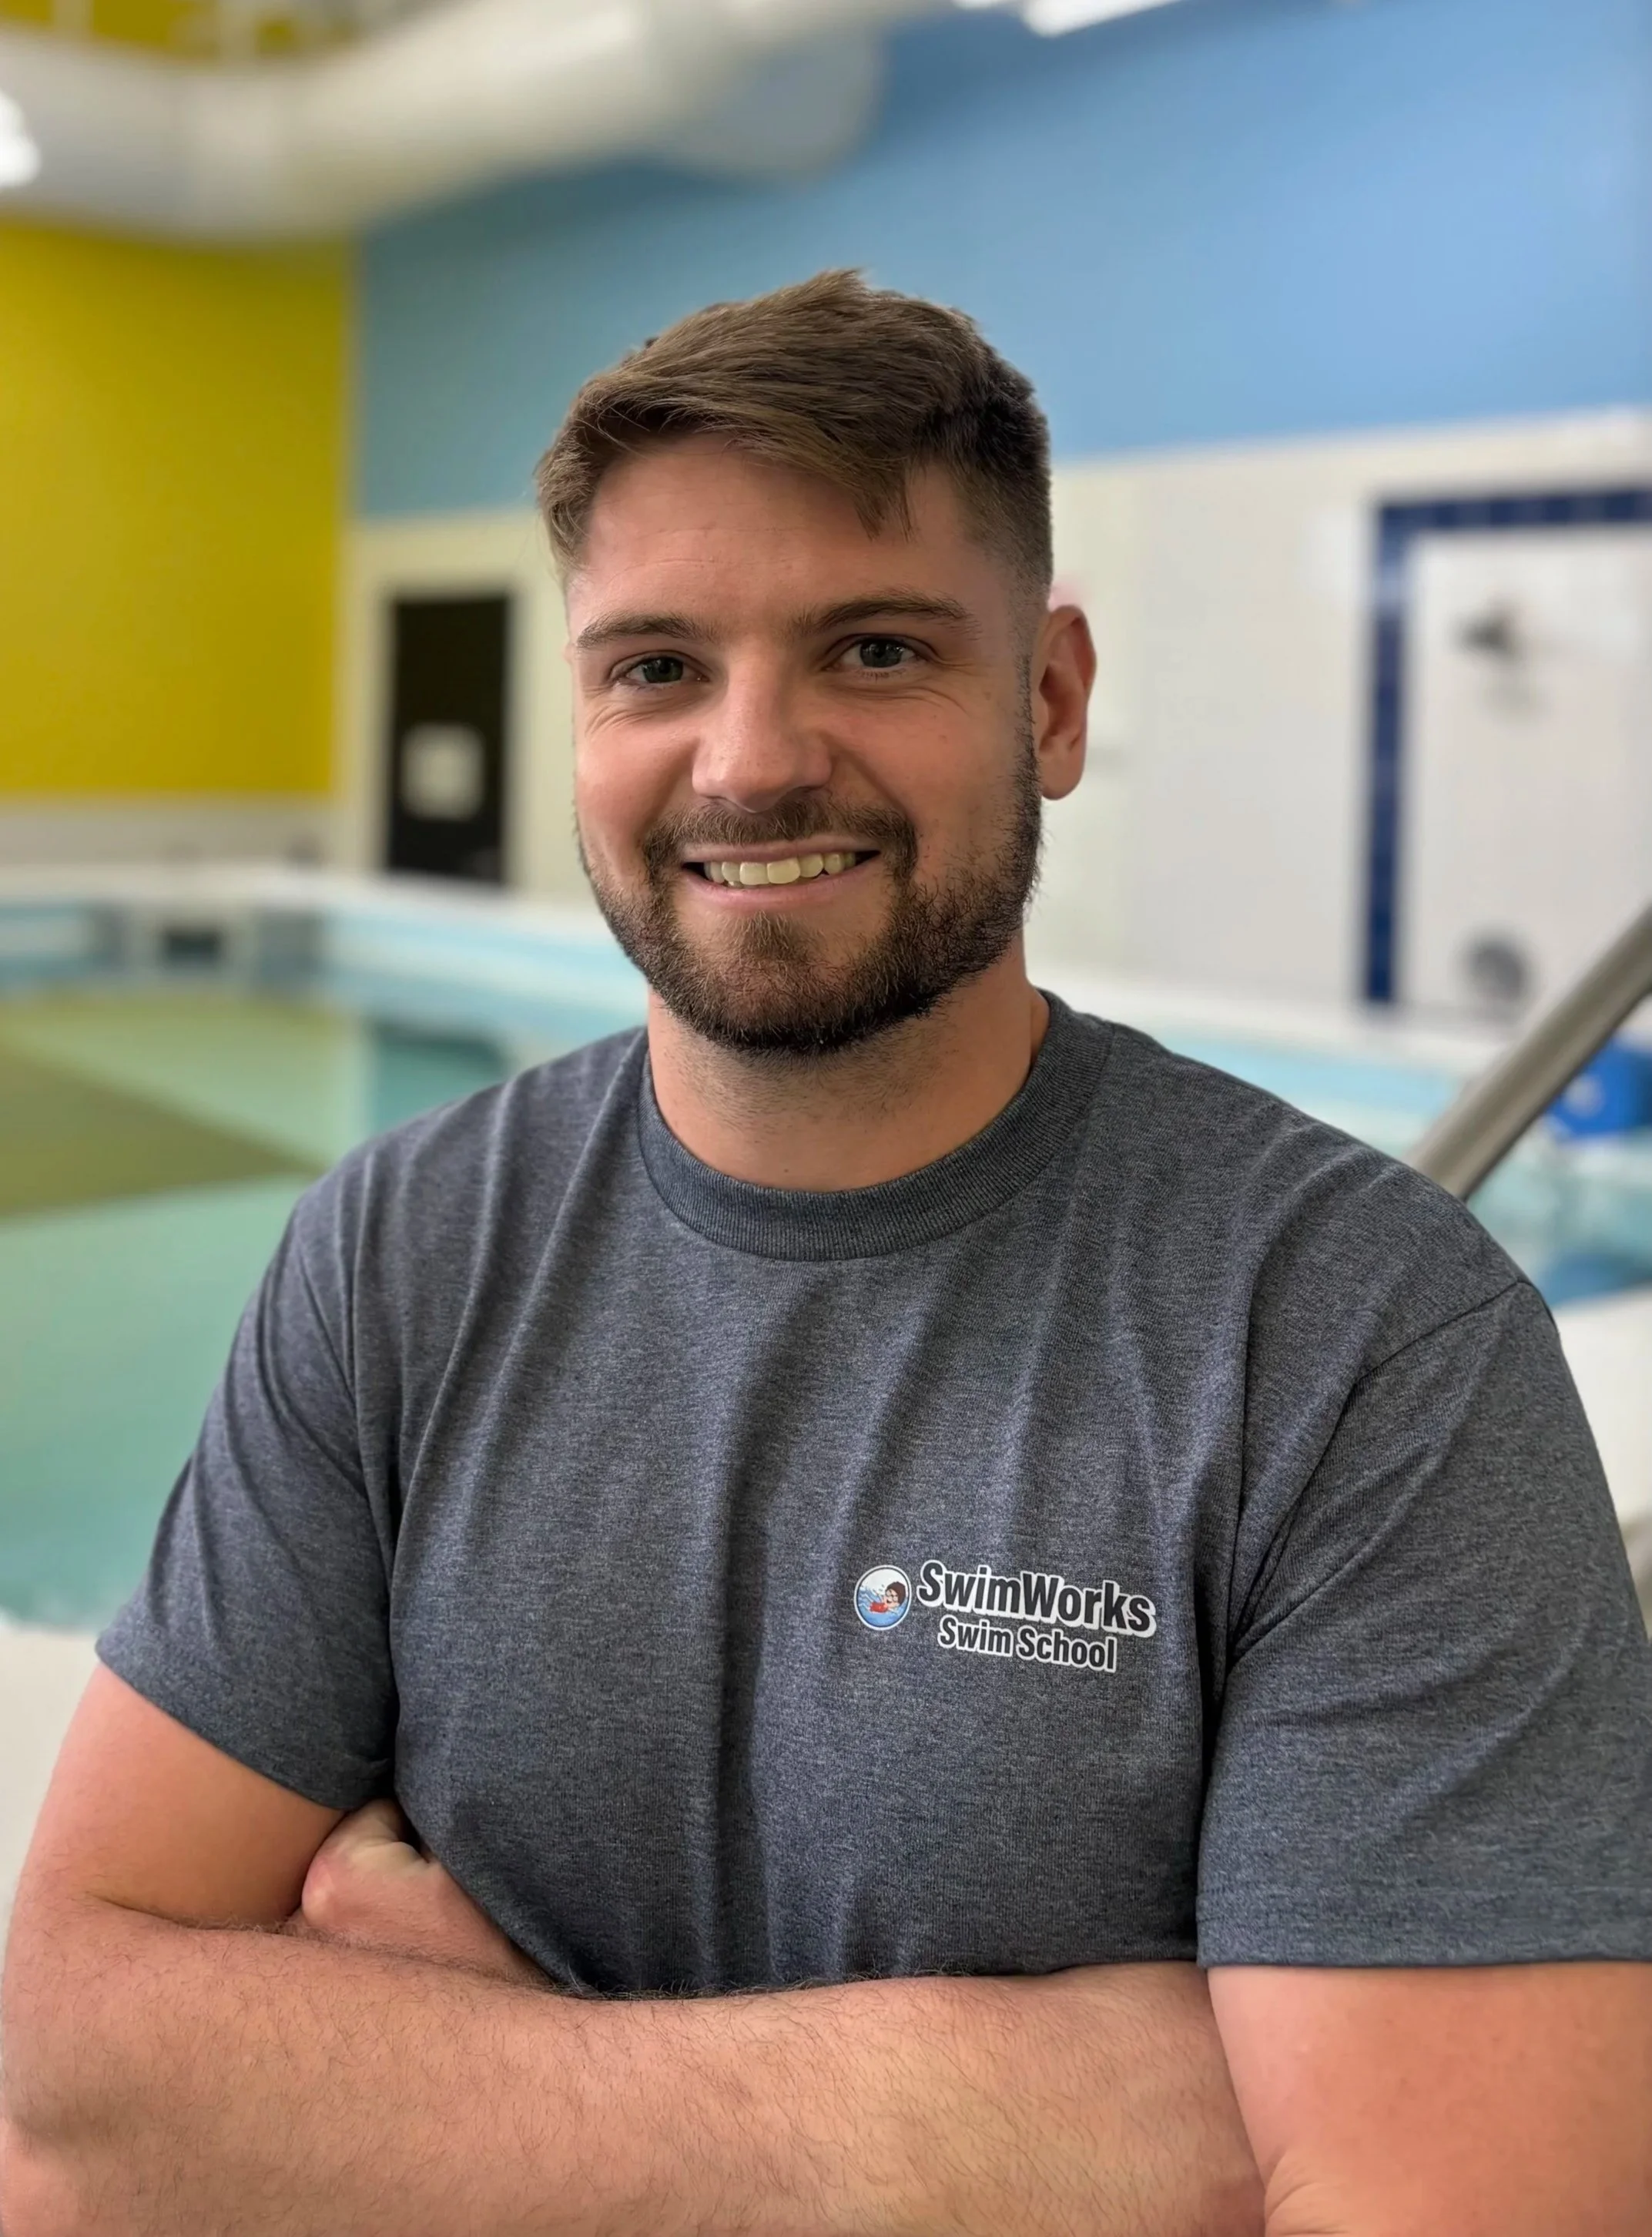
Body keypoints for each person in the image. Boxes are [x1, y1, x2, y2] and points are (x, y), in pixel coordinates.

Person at [3, 270, 1650, 2237]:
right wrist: (976, 2117)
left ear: (1049, 700)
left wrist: (445, 2090)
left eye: (872, 650)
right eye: (655, 668)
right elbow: (72, 2096)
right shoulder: (401, 1253)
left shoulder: (1356, 1337)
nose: (749, 762)